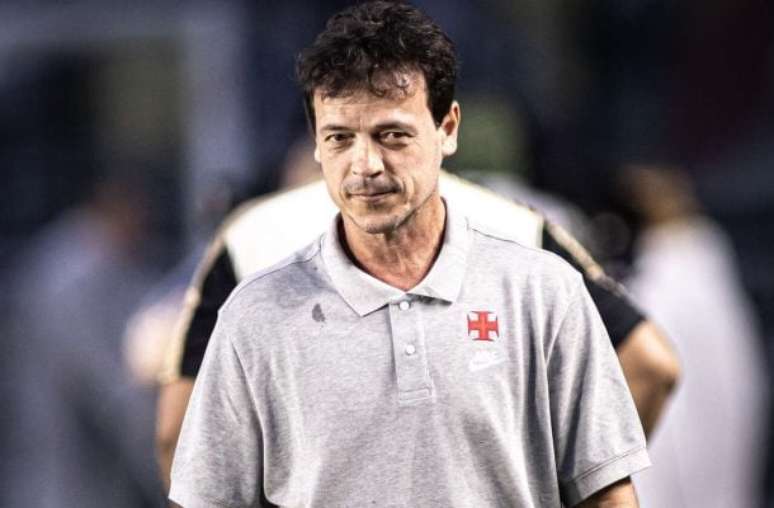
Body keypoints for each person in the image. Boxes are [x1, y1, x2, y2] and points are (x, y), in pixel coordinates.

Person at [170, 2, 650, 506]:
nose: (365, 165)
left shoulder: (544, 293)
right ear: (315, 143)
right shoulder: (254, 317)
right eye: (339, 138)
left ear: (448, 128)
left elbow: (607, 495)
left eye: (392, 135)